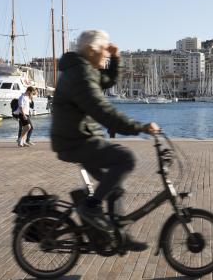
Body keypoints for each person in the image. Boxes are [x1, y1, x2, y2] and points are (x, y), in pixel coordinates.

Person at [51, 29, 159, 252]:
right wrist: (140, 127)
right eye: (104, 50)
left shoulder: (84, 69)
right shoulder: (79, 75)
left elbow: (107, 80)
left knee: (114, 188)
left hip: (80, 138)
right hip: (76, 141)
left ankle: (119, 236)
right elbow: (103, 110)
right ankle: (91, 207)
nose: (107, 55)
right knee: (126, 158)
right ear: (91, 50)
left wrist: (116, 58)